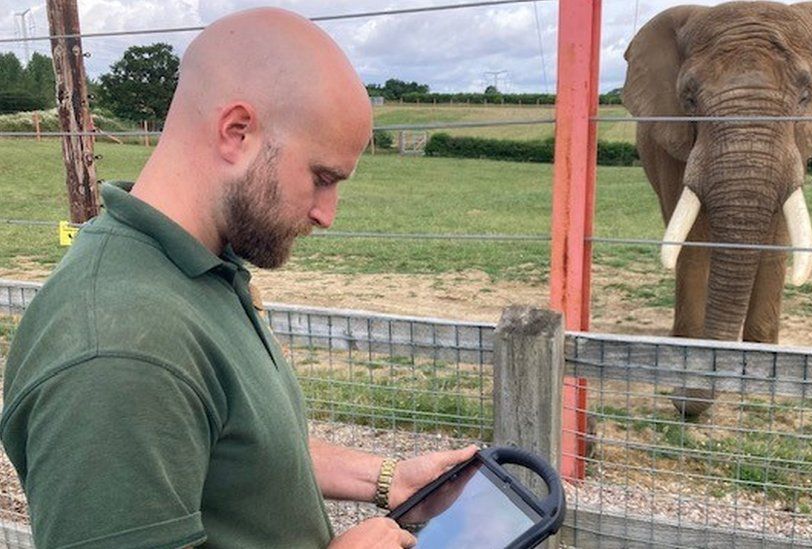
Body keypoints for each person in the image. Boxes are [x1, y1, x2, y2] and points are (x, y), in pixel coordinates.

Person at [0, 7, 476, 548]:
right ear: (237, 131)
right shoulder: (120, 350)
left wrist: (387, 479)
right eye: (321, 178)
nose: (327, 213)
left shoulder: (196, 270)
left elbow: (235, 452)